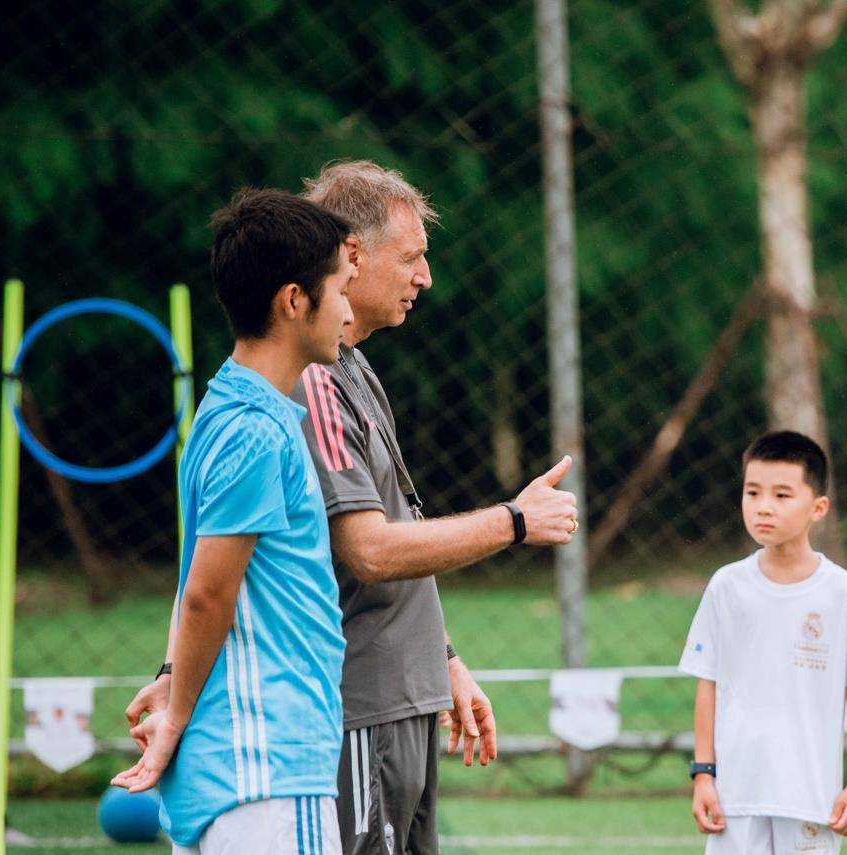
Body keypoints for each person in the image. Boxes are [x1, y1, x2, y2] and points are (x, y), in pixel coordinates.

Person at [127, 161, 580, 855]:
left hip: (310, 740)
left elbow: (213, 568)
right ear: (306, 292)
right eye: (341, 283)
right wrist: (514, 521)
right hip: (289, 748)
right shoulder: (276, 409)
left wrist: (440, 656)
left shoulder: (278, 400)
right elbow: (231, 584)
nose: (425, 277)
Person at [114, 189, 357, 855]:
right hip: (267, 771)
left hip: (248, 771)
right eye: (340, 289)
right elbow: (207, 592)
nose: (348, 310)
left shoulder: (231, 409)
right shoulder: (252, 428)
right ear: (293, 300)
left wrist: (174, 678)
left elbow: (206, 580)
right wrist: (176, 717)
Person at [681, 430, 847, 853]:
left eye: (782, 495)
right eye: (753, 492)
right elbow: (707, 683)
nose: (763, 506)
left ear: (818, 508)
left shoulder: (842, 593)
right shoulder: (727, 586)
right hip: (735, 798)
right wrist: (703, 774)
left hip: (812, 797)